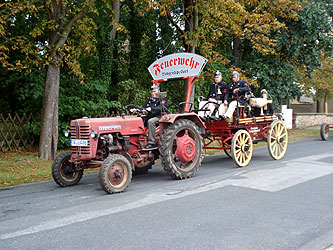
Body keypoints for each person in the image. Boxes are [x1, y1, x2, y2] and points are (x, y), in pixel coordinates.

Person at [143, 84, 168, 149]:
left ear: (159, 91)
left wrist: (151, 109)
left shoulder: (162, 99)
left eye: (155, 91)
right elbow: (144, 108)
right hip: (151, 115)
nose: (153, 93)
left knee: (151, 121)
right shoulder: (149, 100)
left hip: (160, 116)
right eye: (152, 92)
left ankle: (151, 142)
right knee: (140, 120)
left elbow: (162, 107)